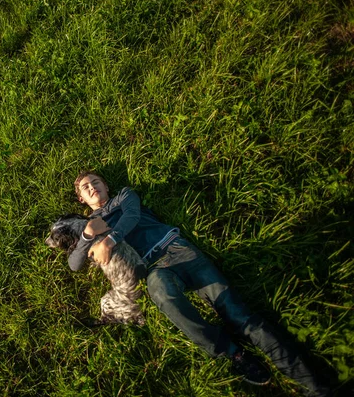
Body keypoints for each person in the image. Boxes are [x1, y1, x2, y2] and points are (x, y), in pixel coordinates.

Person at [68, 170, 330, 396]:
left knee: (239, 315)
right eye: (85, 186)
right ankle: (231, 352)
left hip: (177, 249)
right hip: (153, 269)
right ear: (81, 198)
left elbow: (132, 216)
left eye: (96, 181)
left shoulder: (124, 196)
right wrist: (89, 234)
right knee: (163, 297)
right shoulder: (88, 225)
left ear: (106, 186)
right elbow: (74, 264)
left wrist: (109, 240)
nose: (92, 186)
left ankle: (315, 387)